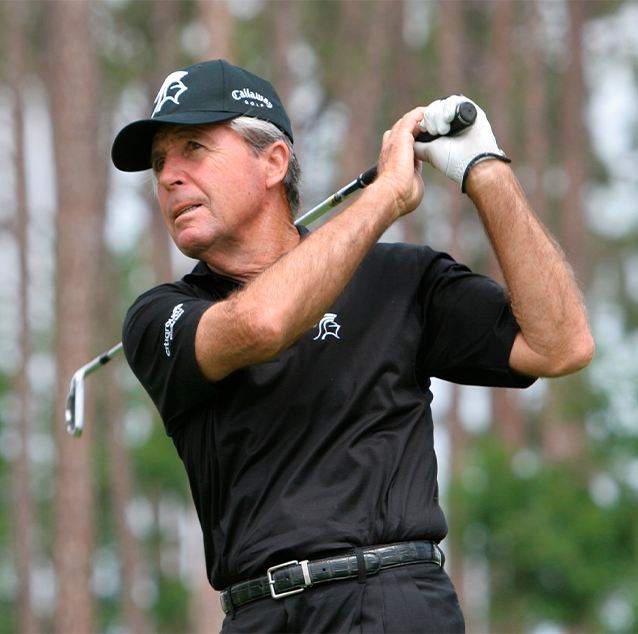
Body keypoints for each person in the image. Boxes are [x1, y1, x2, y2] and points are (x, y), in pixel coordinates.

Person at [112, 59, 594, 633]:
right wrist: (386, 195)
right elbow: (266, 323)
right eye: (161, 161)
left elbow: (561, 344)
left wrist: (484, 172)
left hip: (394, 600)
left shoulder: (400, 278)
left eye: (193, 147)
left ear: (273, 162)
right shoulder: (160, 317)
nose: (169, 175)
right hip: (258, 614)